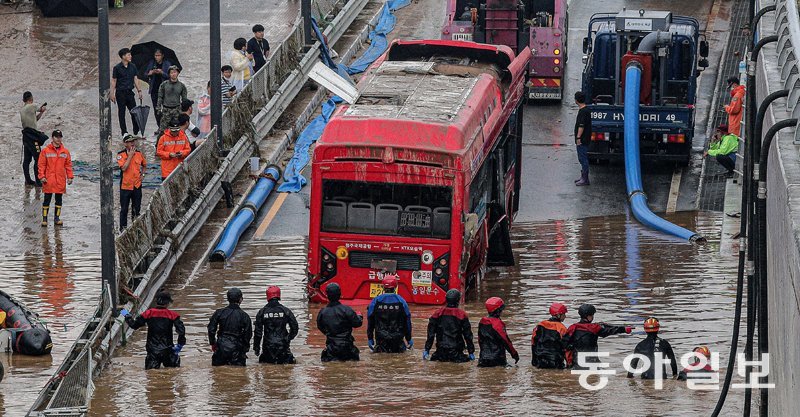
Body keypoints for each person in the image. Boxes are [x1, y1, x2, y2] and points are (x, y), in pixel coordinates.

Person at [124, 290, 186, 369]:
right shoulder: (173, 315)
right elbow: (181, 331)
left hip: (152, 351)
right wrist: (180, 344)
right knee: (173, 371)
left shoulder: (148, 313)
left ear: (156, 301)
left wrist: (126, 315)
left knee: (151, 374)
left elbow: (134, 325)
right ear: (168, 303)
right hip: (168, 350)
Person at [565, 304, 632, 368]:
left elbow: (564, 343)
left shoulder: (572, 327)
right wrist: (624, 329)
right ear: (589, 316)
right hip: (592, 361)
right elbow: (610, 330)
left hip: (576, 362)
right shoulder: (594, 328)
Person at [424, 289, 475, 363]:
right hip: (456, 352)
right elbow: (468, 335)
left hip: (440, 351)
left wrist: (427, 349)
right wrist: (471, 351)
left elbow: (430, 333)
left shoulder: (437, 314)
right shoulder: (462, 315)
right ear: (458, 300)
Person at [316, 283, 363, 362]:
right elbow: (357, 323)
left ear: (327, 295)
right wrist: (360, 316)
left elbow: (320, 326)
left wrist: (329, 333)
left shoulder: (322, 312)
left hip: (331, 348)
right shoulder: (347, 310)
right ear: (340, 294)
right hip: (347, 347)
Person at [366, 275, 412, 353]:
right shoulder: (401, 301)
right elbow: (407, 321)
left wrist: (370, 338)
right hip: (398, 340)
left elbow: (370, 320)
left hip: (381, 340)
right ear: (395, 287)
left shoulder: (375, 301)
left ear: (383, 287)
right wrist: (409, 338)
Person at [207, 288, 253, 366]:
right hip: (237, 349)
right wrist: (244, 350)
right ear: (241, 299)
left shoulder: (219, 313)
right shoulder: (245, 316)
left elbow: (211, 329)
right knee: (239, 375)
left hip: (221, 347)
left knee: (217, 375)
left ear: (228, 299)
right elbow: (248, 335)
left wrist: (213, 343)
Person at [253, 286, 299, 364]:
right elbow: (295, 328)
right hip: (283, 344)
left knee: (266, 369)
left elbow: (258, 333)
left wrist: (256, 348)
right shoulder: (286, 311)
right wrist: (288, 338)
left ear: (267, 296)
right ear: (278, 295)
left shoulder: (262, 312)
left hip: (268, 346)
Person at [38, 130, 73, 227]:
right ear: (52, 138)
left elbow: (68, 165)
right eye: (57, 137)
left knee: (59, 200)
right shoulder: (45, 151)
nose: (59, 139)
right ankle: (44, 219)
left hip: (60, 180)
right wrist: (42, 176)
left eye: (60, 137)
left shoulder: (65, 152)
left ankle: (57, 218)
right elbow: (41, 165)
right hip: (49, 180)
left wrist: (70, 177)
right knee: (47, 200)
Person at [111, 48, 143, 138]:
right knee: (122, 113)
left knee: (134, 112)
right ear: (123, 56)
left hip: (130, 93)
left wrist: (139, 91)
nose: (130, 56)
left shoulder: (133, 66)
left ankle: (136, 131)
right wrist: (112, 93)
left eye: (130, 55)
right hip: (120, 93)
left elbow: (135, 79)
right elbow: (114, 80)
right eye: (128, 55)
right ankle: (124, 132)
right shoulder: (117, 68)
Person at [477, 297, 519, 367]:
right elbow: (506, 341)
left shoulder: (482, 322)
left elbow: (480, 340)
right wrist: (514, 354)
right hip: (497, 359)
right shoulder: (498, 324)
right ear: (498, 311)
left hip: (483, 359)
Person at [117, 134, 146, 230]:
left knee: (136, 210)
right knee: (124, 209)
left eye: (133, 141)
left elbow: (144, 165)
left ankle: (136, 229)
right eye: (130, 142)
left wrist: (142, 175)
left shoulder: (139, 154)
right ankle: (123, 230)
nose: (133, 143)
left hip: (137, 186)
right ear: (125, 144)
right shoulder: (120, 155)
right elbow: (124, 168)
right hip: (125, 187)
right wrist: (129, 156)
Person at [20, 91, 48, 186]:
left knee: (27, 160)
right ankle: (38, 180)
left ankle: (28, 180)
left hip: (26, 136)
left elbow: (34, 119)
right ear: (31, 99)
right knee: (38, 158)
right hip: (32, 137)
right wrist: (42, 109)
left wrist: (41, 113)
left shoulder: (23, 109)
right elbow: (40, 108)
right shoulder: (32, 106)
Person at [531, 302, 569, 369]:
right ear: (558, 315)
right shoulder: (561, 328)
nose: (565, 316)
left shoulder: (540, 325)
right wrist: (569, 364)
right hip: (556, 362)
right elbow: (566, 347)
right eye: (564, 314)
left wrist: (534, 361)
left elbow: (533, 343)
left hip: (540, 360)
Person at [145, 49, 172, 131]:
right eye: (155, 55)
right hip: (154, 90)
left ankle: (167, 126)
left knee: (166, 109)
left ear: (162, 55)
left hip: (165, 91)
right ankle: (160, 126)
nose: (157, 57)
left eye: (158, 55)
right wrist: (150, 73)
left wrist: (162, 73)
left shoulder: (167, 63)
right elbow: (146, 74)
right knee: (157, 109)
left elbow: (171, 75)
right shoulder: (152, 63)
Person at [157, 66, 188, 135]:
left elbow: (184, 100)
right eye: (171, 73)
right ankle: (159, 144)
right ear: (169, 74)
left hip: (177, 110)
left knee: (178, 130)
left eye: (175, 72)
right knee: (162, 131)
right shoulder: (164, 85)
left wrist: (184, 112)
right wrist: (158, 108)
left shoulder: (182, 86)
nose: (173, 74)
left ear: (178, 73)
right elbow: (160, 97)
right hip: (166, 110)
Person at [573, 91, 592, 186]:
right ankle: (583, 177)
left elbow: (581, 126)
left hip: (583, 139)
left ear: (576, 100)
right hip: (585, 138)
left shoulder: (583, 112)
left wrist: (578, 137)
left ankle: (585, 179)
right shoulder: (585, 110)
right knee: (582, 158)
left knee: (582, 158)